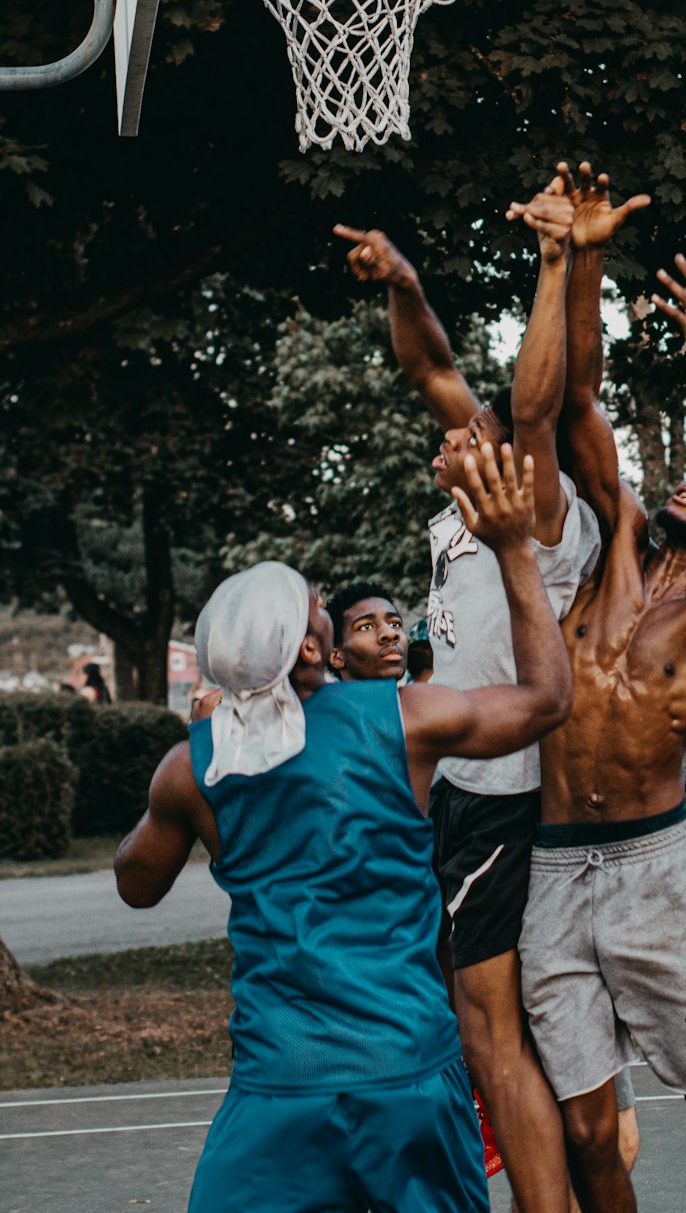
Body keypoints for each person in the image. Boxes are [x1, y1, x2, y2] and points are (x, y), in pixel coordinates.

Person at [114, 443, 572, 1213]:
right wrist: (513, 551)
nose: (326, 608)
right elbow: (546, 700)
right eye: (315, 603)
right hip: (408, 1068)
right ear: (308, 644)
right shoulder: (404, 718)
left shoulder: (191, 768)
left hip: (279, 1084)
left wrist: (196, 745)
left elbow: (136, 883)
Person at [512, 163, 686, 1213]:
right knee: (587, 1133)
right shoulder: (611, 547)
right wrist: (582, 258)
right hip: (553, 868)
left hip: (656, 870)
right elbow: (576, 400)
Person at [334, 187, 608, 1213]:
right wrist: (404, 281)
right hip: (464, 791)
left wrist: (552, 262)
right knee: (492, 1028)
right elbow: (431, 365)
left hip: (500, 794)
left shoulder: (533, 509)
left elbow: (530, 406)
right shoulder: (466, 514)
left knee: (492, 1032)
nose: (450, 425)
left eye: (473, 425)